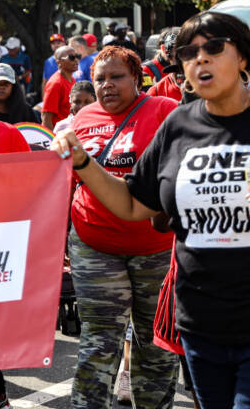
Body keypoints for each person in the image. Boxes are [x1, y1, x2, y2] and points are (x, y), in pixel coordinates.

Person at [53, 11, 250, 409]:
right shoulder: (179, 125)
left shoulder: (159, 111)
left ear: (243, 57)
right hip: (200, 320)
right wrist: (81, 162)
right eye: (188, 53)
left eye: (214, 48)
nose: (200, 59)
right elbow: (131, 203)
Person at [52, 45, 181, 407]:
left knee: (153, 342)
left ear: (138, 78)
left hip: (155, 248)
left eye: (116, 77)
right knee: (99, 341)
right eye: (99, 79)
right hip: (94, 244)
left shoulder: (166, 112)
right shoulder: (80, 119)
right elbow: (65, 182)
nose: (106, 85)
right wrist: (61, 234)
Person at [41, 45, 79, 131]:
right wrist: (53, 140)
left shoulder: (72, 79)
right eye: (71, 57)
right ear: (59, 62)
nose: (76, 60)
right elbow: (46, 118)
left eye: (77, 56)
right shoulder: (55, 83)